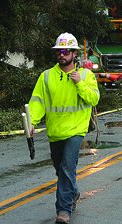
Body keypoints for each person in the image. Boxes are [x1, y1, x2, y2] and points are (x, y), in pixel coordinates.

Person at [28, 33, 100, 223]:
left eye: (66, 51)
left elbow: (94, 99)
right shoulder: (46, 77)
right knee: (61, 170)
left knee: (67, 168)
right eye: (59, 51)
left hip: (76, 131)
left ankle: (63, 210)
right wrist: (32, 123)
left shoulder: (85, 75)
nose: (62, 54)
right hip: (55, 132)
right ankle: (73, 192)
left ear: (74, 53)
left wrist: (79, 83)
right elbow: (37, 102)